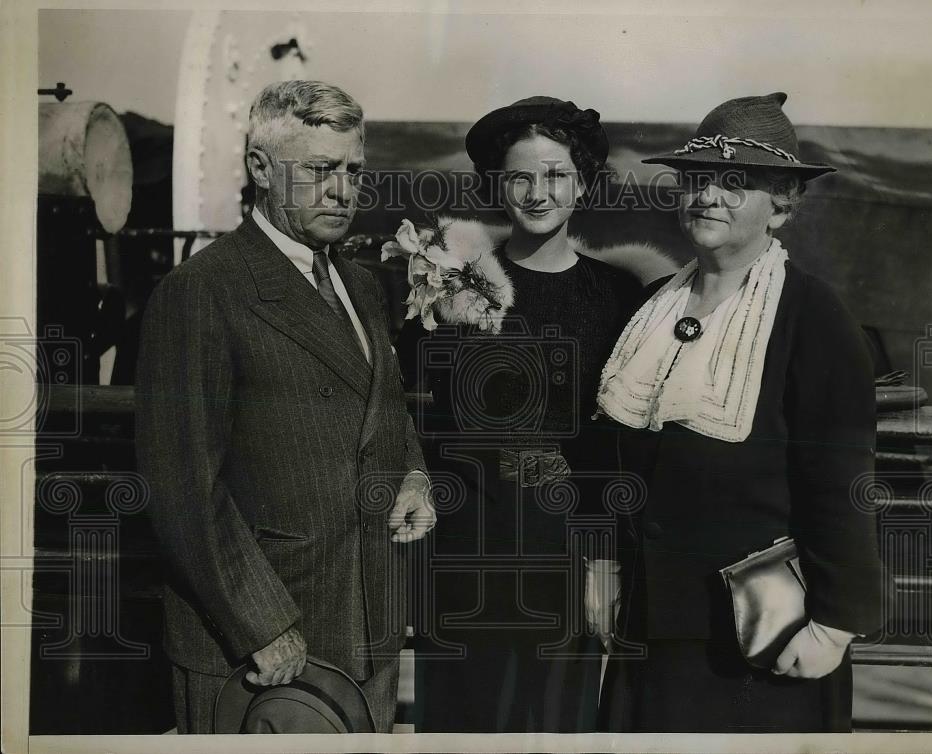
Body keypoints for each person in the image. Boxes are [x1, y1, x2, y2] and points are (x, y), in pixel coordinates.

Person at [134, 80, 435, 734]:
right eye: (320, 170)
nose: (342, 190)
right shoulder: (200, 293)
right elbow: (183, 489)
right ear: (260, 169)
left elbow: (379, 408)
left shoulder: (361, 284)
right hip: (260, 652)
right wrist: (263, 626)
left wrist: (411, 471)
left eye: (353, 170)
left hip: (367, 631)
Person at [596, 92, 887, 733]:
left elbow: (842, 486)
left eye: (736, 183)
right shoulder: (649, 312)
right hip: (653, 631)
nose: (708, 196)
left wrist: (835, 626)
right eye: (697, 179)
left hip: (767, 638)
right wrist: (604, 564)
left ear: (781, 204)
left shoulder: (814, 318)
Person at [395, 96, 642, 732]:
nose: (538, 192)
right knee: (463, 722)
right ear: (497, 187)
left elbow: (618, 441)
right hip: (464, 547)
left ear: (582, 182)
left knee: (557, 724)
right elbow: (393, 399)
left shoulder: (617, 294)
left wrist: (606, 559)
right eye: (520, 177)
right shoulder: (454, 279)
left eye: (556, 174)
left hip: (568, 554)